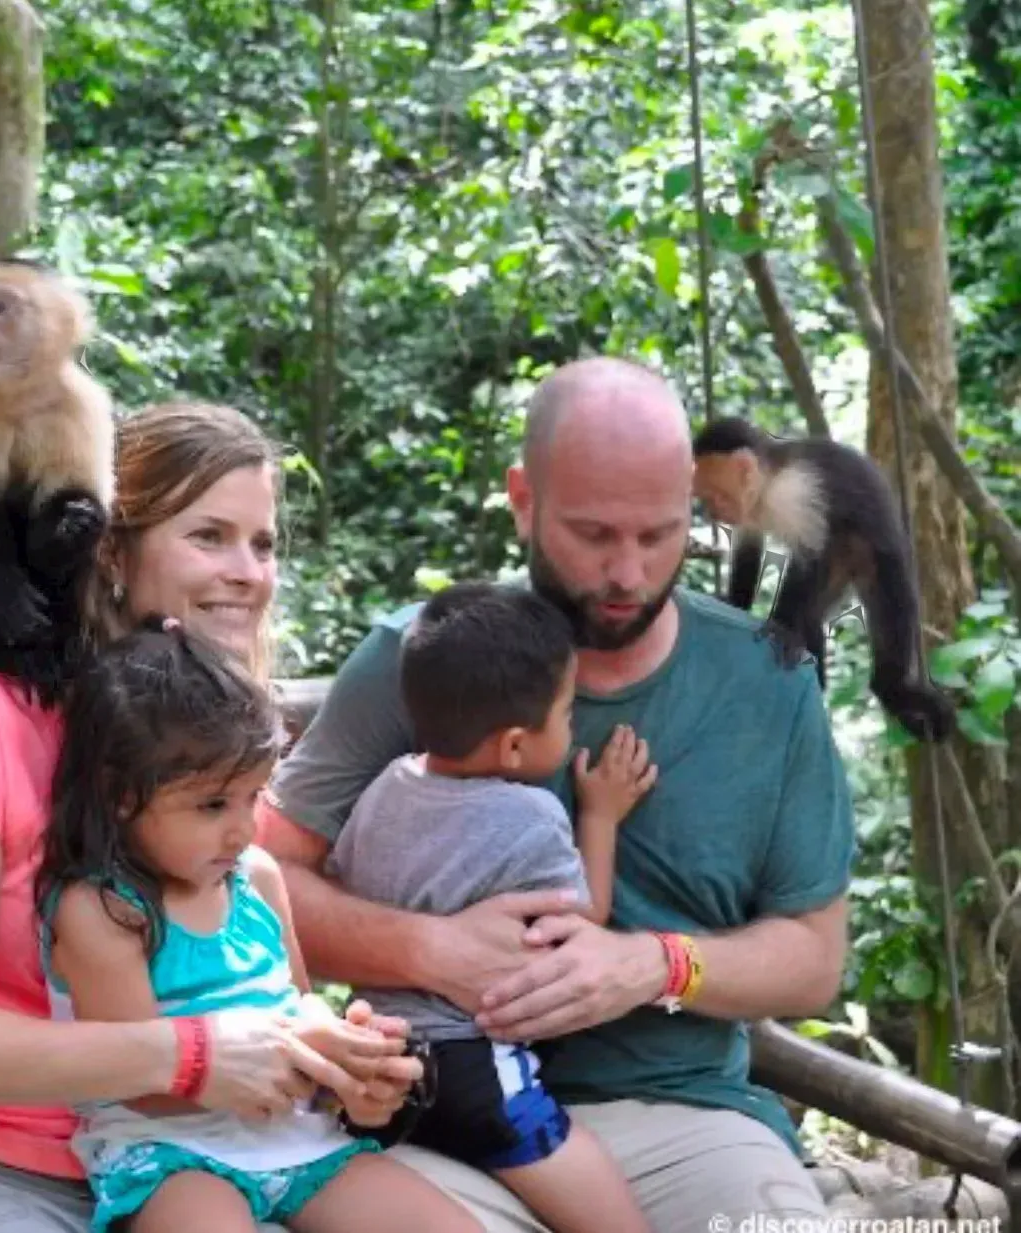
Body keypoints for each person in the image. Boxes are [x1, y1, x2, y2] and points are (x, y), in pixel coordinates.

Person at [257, 357, 857, 1233]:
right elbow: (257, 880)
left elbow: (813, 958)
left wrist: (655, 964)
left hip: (685, 1121)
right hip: (438, 1118)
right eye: (593, 534)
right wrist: (430, 949)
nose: (627, 572)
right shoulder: (418, 661)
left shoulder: (767, 680)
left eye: (659, 535)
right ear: (523, 500)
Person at [0, 401, 420, 1233]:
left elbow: (259, 995)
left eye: (264, 542)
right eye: (208, 536)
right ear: (110, 550)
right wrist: (194, 1054)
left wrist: (336, 1063)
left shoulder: (221, 751)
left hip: (200, 1156)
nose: (247, 570)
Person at [35, 616, 483, 1233]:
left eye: (254, 797)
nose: (243, 829)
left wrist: (355, 1071)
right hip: (172, 1149)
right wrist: (299, 1053)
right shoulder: (104, 910)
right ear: (120, 795)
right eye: (212, 804)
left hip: (298, 1136)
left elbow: (298, 1005)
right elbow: (139, 1077)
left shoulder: (258, 877)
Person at [325, 580, 656, 1233]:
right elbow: (581, 919)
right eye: (565, 714)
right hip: (474, 1065)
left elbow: (347, 874)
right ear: (512, 745)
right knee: (568, 1159)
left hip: (381, 1057)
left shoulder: (385, 787)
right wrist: (602, 815)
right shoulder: (531, 814)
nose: (570, 725)